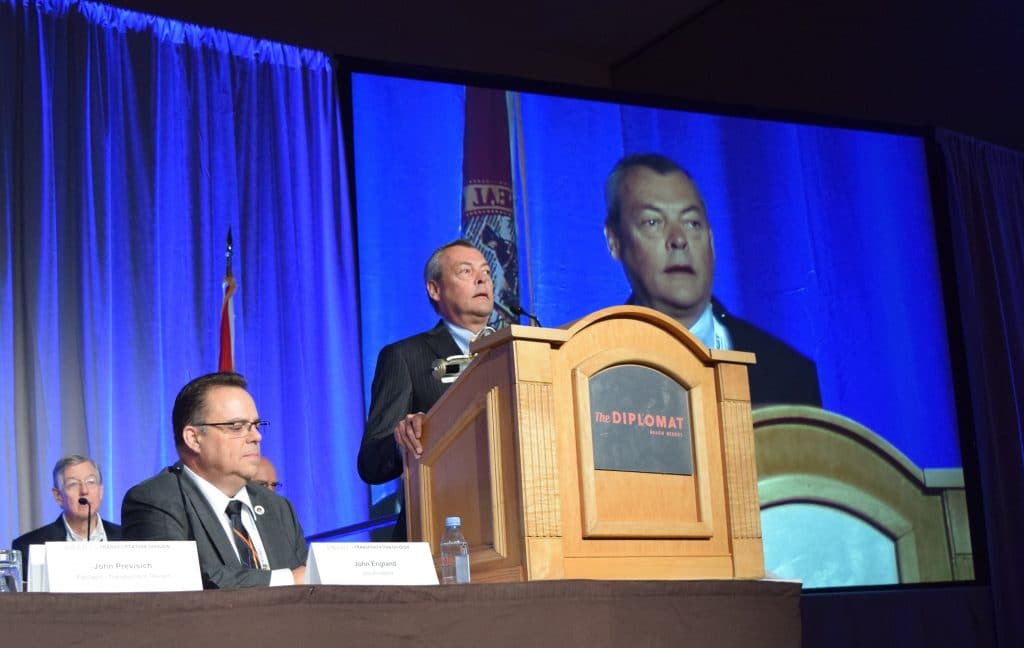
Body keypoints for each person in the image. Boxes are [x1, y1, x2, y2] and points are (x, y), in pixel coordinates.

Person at [603, 153, 822, 407]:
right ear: (614, 241)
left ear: (711, 238)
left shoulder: (788, 374)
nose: (678, 239)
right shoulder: (589, 364)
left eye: (692, 223)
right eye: (653, 222)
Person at [357, 239, 495, 540]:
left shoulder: (515, 352)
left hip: (508, 523)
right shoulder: (406, 357)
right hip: (439, 530)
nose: (482, 278)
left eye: (486, 271)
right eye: (465, 271)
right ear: (434, 289)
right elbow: (371, 463)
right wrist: (403, 438)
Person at [121, 372, 307, 588]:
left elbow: (311, 586)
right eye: (237, 427)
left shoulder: (278, 507)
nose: (257, 437)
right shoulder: (155, 501)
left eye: (256, 425)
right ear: (194, 438)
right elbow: (181, 582)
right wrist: (288, 579)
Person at [12, 455, 123, 569]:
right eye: (73, 484)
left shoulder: (128, 538)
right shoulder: (28, 547)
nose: (84, 491)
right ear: (58, 496)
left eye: (90, 482)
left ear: (101, 491)